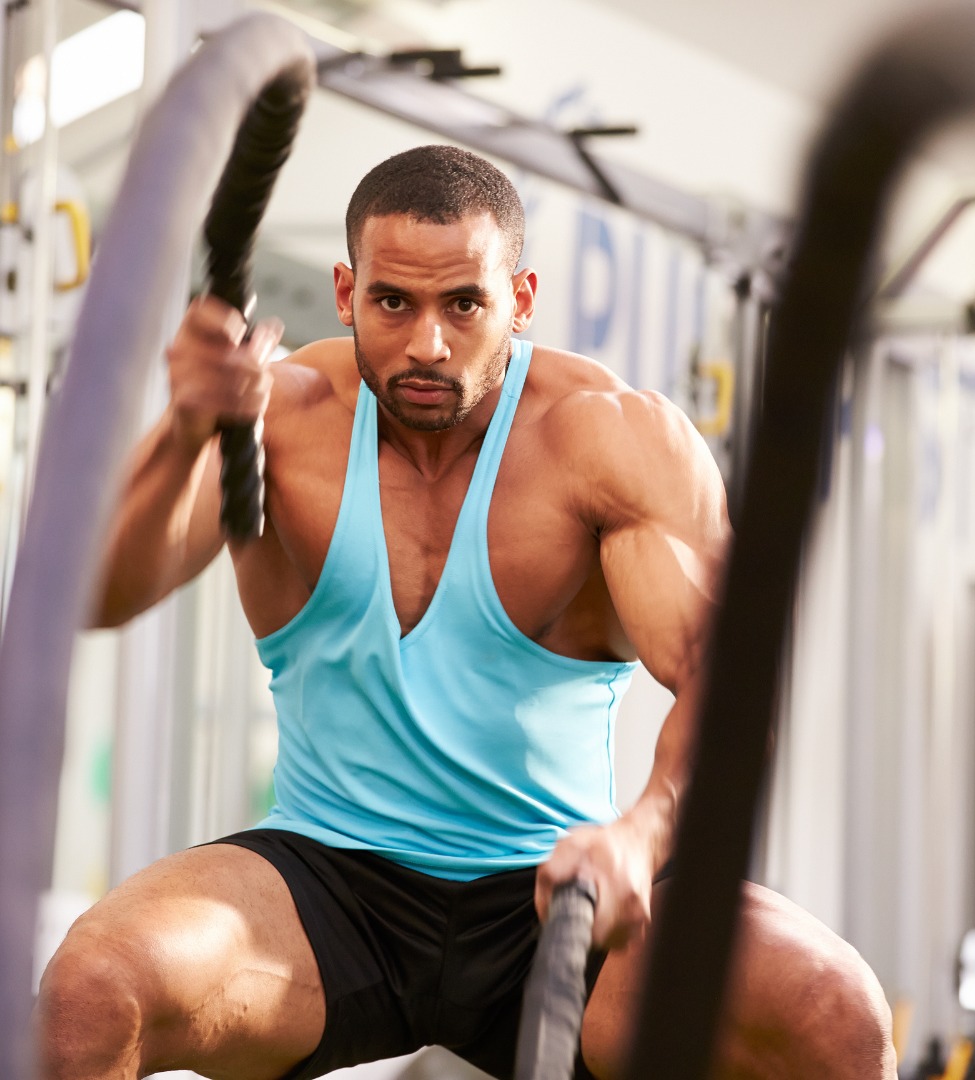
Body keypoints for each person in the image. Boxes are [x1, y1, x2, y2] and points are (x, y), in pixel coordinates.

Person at [36, 144, 896, 1080]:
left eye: (465, 305)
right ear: (345, 290)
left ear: (520, 299)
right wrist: (185, 433)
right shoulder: (280, 419)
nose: (428, 345)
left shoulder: (607, 437)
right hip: (328, 883)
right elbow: (92, 596)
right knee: (89, 994)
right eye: (393, 302)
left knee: (833, 1010)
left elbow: (728, 688)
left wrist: (640, 837)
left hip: (556, 892)